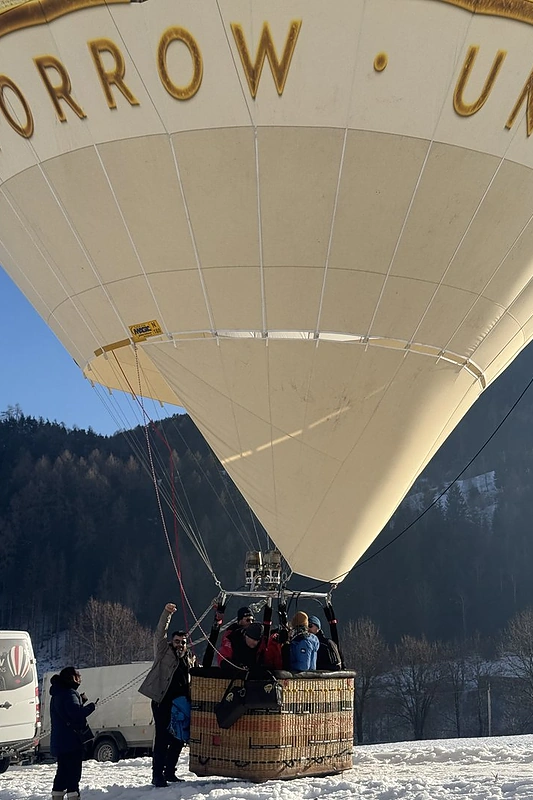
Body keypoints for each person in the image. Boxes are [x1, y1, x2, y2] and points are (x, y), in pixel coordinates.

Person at [139, 603, 196, 788]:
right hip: (162, 702)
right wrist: (167, 613)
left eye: (183, 642)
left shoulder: (189, 660)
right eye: (178, 641)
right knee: (163, 737)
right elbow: (160, 632)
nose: (180, 645)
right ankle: (157, 775)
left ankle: (170, 771)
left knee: (179, 738)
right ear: (173, 642)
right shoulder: (164, 652)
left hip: (180, 704)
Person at [50, 666, 97, 800]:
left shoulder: (57, 693)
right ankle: (73, 796)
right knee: (73, 773)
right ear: (72, 678)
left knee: (62, 771)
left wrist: (80, 701)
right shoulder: (69, 693)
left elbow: (66, 710)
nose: (80, 680)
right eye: (78, 677)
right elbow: (76, 715)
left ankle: (57, 795)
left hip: (60, 741)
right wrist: (91, 707)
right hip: (71, 741)